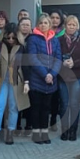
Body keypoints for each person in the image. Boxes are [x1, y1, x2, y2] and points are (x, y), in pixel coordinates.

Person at [24, 13, 62, 145]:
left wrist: (52, 74)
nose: (43, 25)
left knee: (47, 107)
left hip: (51, 80)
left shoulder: (55, 40)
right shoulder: (33, 39)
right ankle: (36, 133)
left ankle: (44, 133)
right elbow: (32, 58)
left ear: (50, 24)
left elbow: (58, 58)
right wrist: (45, 74)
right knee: (36, 107)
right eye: (41, 23)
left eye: (46, 23)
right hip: (37, 78)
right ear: (37, 25)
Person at [0, 24, 27, 146]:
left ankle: (10, 132)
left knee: (14, 107)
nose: (10, 40)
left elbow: (26, 66)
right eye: (8, 38)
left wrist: (27, 82)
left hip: (16, 80)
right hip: (0, 79)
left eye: (13, 38)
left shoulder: (21, 47)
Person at [58, 15, 80, 141]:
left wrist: (74, 63)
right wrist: (62, 63)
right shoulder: (58, 40)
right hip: (63, 76)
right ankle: (65, 130)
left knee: (75, 104)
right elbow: (54, 56)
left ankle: (73, 131)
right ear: (65, 26)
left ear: (77, 26)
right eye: (69, 24)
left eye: (74, 25)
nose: (71, 27)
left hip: (78, 76)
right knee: (64, 104)